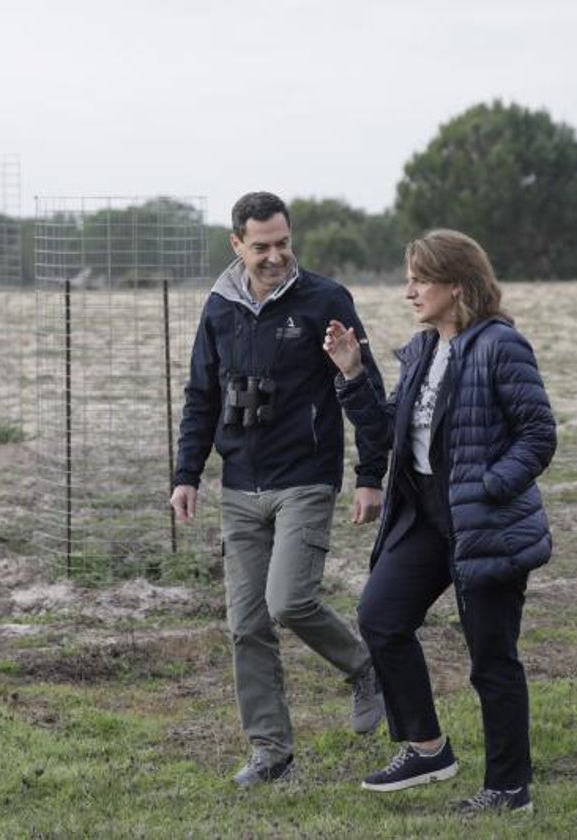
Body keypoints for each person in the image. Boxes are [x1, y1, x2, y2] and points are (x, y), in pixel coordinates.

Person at [323, 228, 555, 814]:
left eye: (420, 280)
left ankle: (509, 789)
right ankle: (427, 747)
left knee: (491, 659)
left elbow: (538, 435)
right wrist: (352, 374)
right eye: (410, 280)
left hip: (485, 522)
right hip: (424, 514)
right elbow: (392, 429)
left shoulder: (502, 345)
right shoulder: (423, 349)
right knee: (381, 617)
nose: (410, 292)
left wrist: (488, 486)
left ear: (457, 284)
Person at [171, 191, 390, 786]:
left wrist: (372, 476)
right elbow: (201, 396)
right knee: (246, 624)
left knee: (288, 601)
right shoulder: (218, 308)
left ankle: (365, 667)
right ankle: (270, 752)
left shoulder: (326, 300)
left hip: (305, 479)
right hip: (239, 485)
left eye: (283, 243)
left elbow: (363, 384)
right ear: (236, 245)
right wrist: (186, 474)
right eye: (261, 246)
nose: (275, 257)